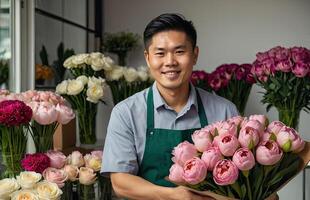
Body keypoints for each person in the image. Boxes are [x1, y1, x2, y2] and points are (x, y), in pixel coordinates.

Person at [101, 13, 238, 200]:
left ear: (195, 55)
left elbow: (240, 179)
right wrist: (173, 195)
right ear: (148, 58)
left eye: (179, 51)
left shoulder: (225, 111)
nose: (170, 62)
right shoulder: (126, 113)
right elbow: (121, 182)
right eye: (160, 53)